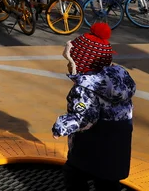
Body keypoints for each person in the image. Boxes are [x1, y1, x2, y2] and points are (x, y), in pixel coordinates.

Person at [52, 22, 135, 191]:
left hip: (92, 142)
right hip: (118, 143)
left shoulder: (85, 88)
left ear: (81, 63)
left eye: (71, 61)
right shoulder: (120, 79)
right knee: (108, 181)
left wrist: (61, 126)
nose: (68, 64)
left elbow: (85, 117)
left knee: (73, 174)